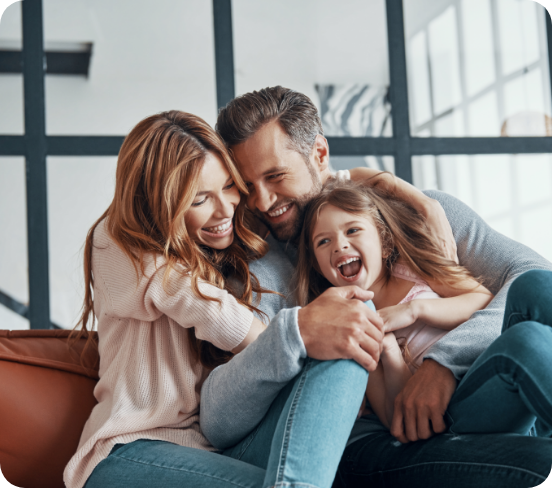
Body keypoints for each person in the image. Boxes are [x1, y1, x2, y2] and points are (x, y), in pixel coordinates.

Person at [199, 86, 552, 487]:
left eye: (276, 176)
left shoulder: (417, 215)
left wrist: (444, 363)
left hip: (492, 383)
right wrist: (296, 332)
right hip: (391, 439)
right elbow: (218, 416)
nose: (262, 201)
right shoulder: (262, 275)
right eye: (247, 187)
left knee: (537, 297)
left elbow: (532, 278)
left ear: (318, 154)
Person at [63, 110, 382, 488]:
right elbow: (210, 311)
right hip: (130, 451)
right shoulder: (117, 242)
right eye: (200, 199)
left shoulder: (215, 240)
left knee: (352, 310)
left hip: (215, 449)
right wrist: (297, 334)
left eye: (230, 186)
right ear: (159, 202)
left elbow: (320, 188)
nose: (226, 209)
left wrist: (397, 188)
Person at [294, 180, 493, 428]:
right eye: (323, 241)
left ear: (385, 244)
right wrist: (390, 353)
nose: (340, 245)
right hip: (451, 413)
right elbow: (393, 418)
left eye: (352, 230)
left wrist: (415, 310)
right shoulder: (351, 328)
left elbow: (484, 299)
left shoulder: (412, 271)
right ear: (317, 266)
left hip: (481, 366)